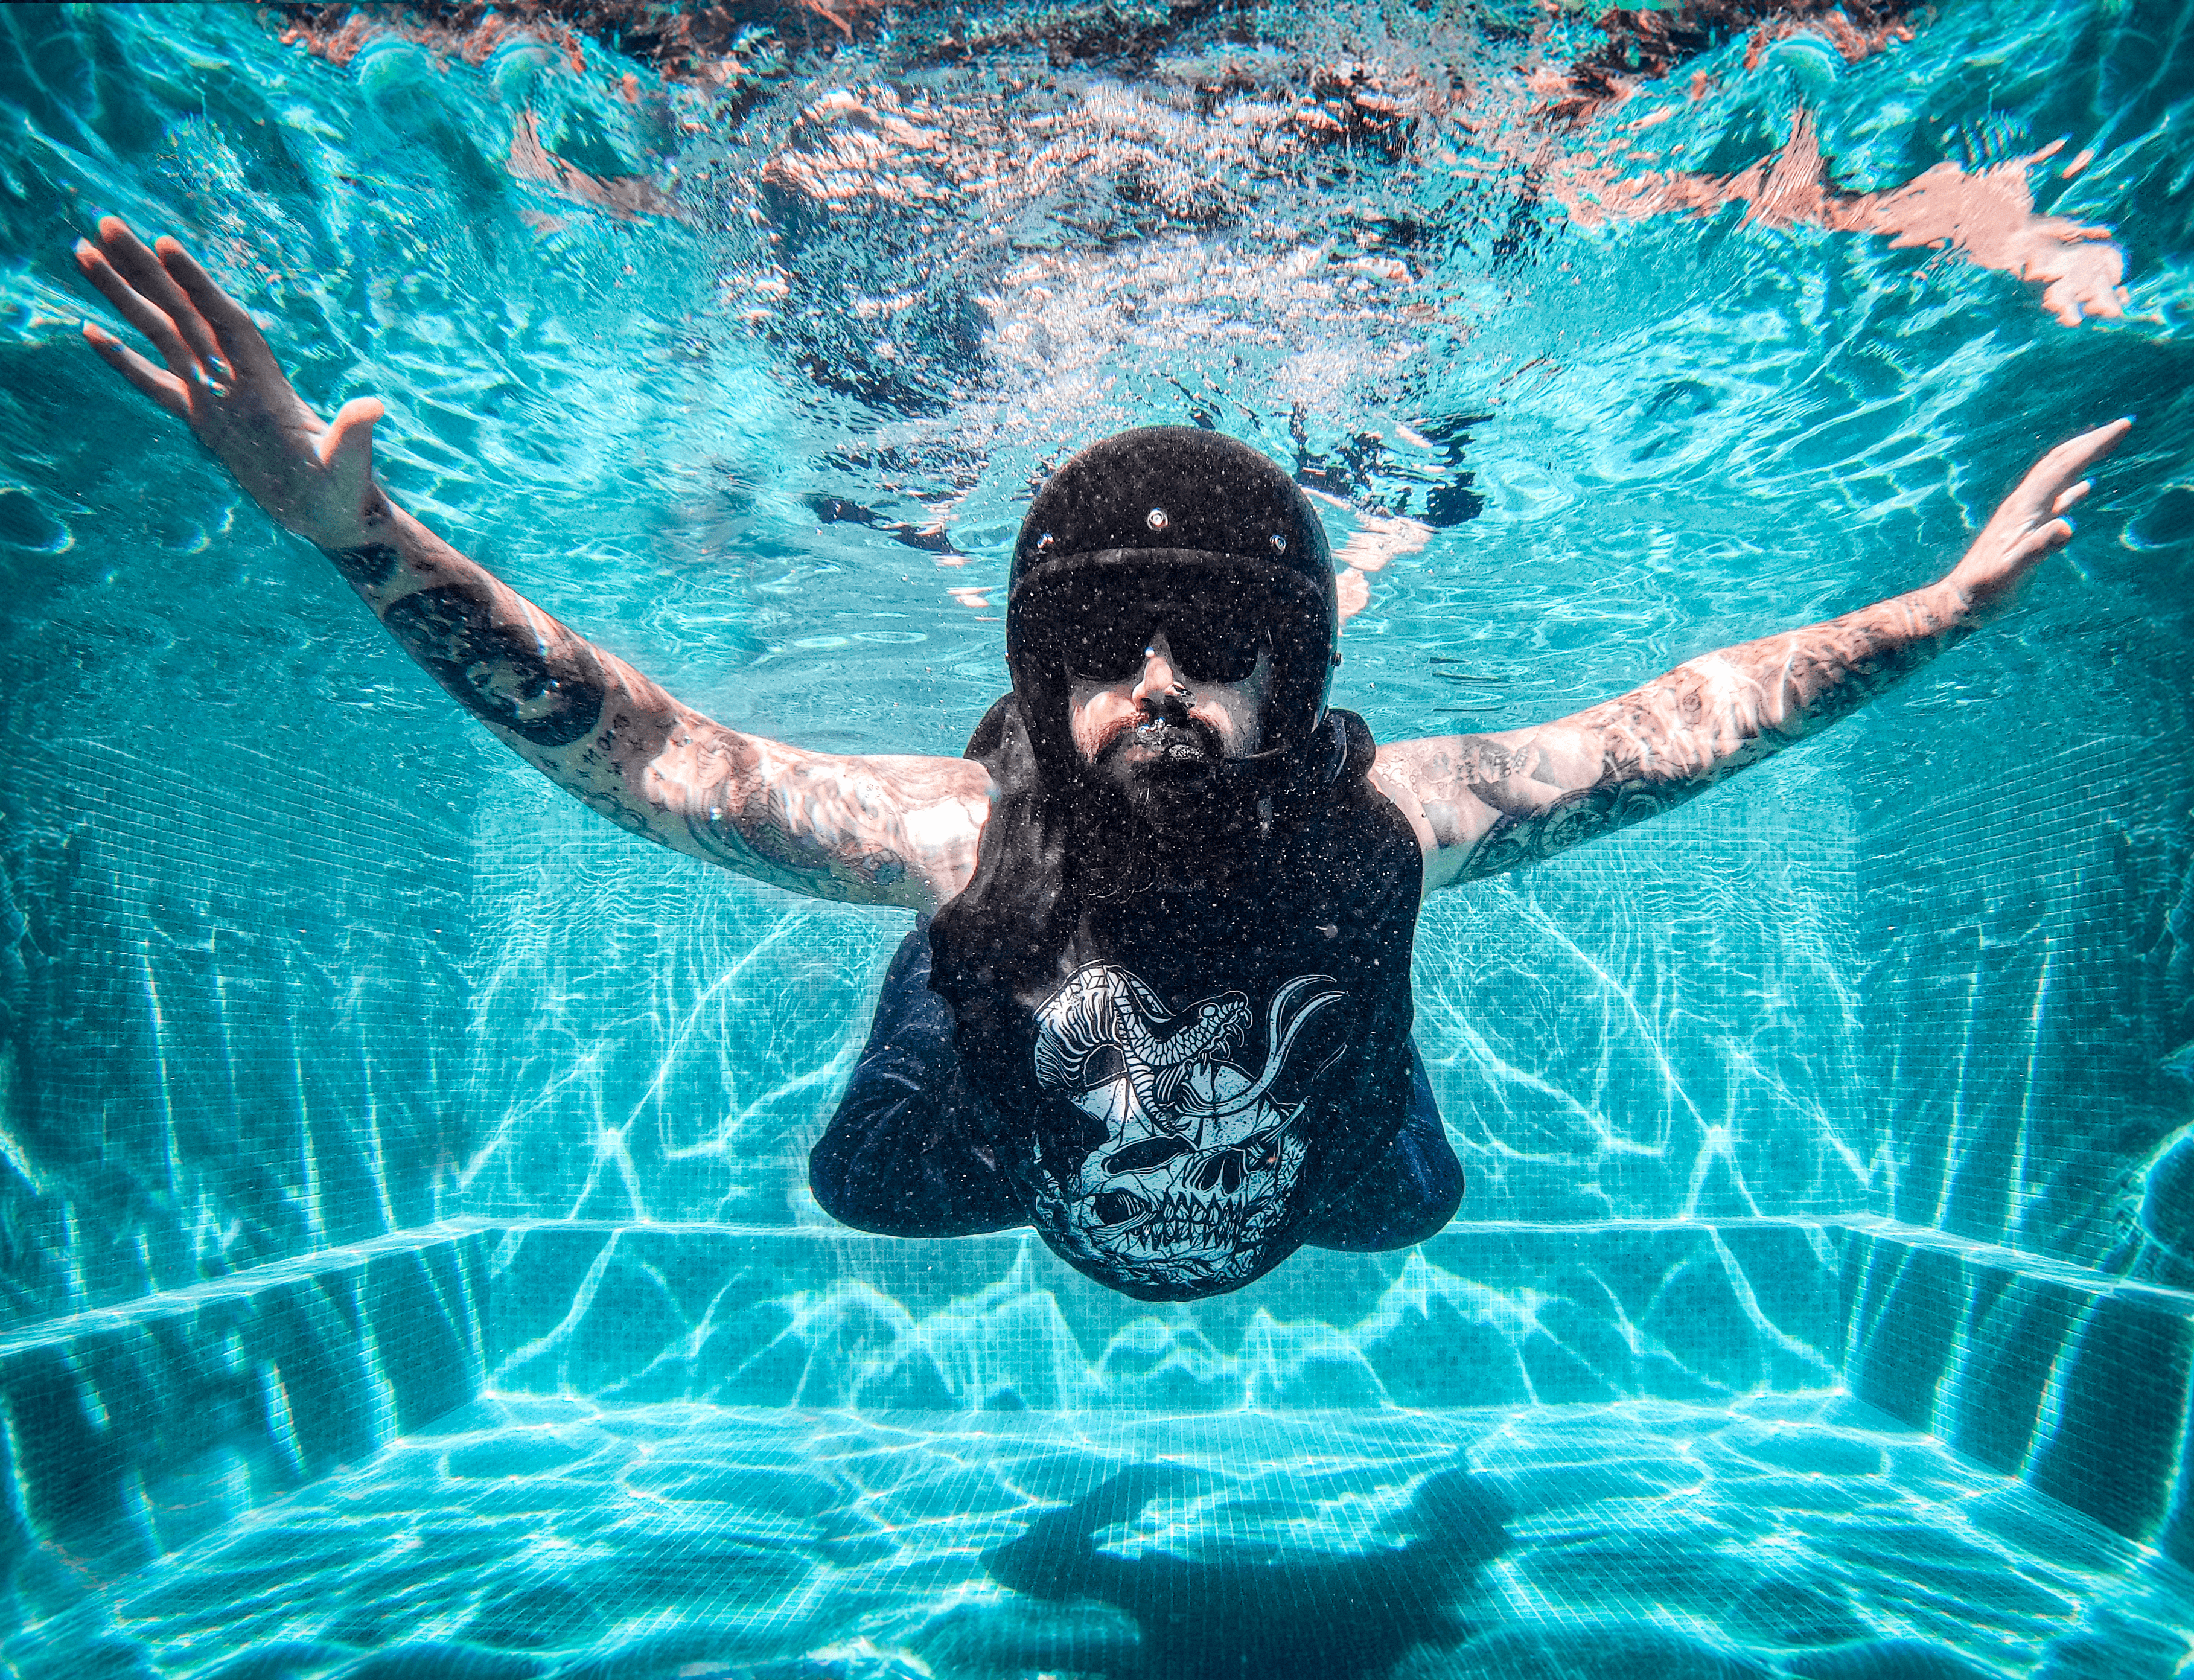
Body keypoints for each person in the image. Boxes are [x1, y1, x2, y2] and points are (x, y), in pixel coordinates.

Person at [72, 216, 2129, 1302]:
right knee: (870, 1182)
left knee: (1407, 1208)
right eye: (1107, 649)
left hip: (1319, 1177)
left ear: (1289, 671)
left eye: (1221, 647)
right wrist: (370, 549)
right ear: (1042, 675)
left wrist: (1938, 614)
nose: (1162, 683)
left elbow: (1689, 726)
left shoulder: (1388, 818)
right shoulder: (962, 833)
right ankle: (960, 1045)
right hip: (990, 1169)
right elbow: (650, 753)